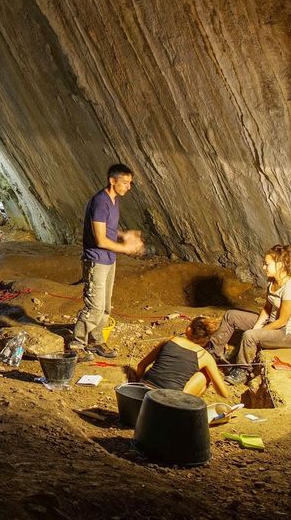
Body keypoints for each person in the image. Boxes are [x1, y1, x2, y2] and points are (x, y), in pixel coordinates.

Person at [70, 163, 145, 361]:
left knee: (105, 306)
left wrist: (124, 234)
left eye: (130, 183)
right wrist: (127, 248)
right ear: (113, 181)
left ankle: (95, 341)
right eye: (126, 182)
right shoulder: (100, 202)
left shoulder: (114, 200)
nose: (129, 187)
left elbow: (107, 228)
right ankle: (76, 344)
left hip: (109, 260)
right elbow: (100, 239)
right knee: (94, 306)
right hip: (96, 260)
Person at [208, 244, 291, 386]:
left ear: (281, 264)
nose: (264, 267)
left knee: (250, 335)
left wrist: (257, 331)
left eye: (267, 264)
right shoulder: (272, 282)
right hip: (272, 323)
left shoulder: (290, 289)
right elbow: (267, 308)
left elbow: (282, 321)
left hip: (288, 334)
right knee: (231, 315)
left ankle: (242, 370)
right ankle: (213, 353)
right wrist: (258, 324)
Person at [135, 316, 231, 398]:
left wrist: (136, 383)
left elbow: (141, 366)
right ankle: (185, 409)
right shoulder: (205, 356)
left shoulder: (171, 340)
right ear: (206, 339)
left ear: (188, 330)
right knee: (205, 375)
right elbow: (224, 394)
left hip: (144, 392)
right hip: (169, 401)